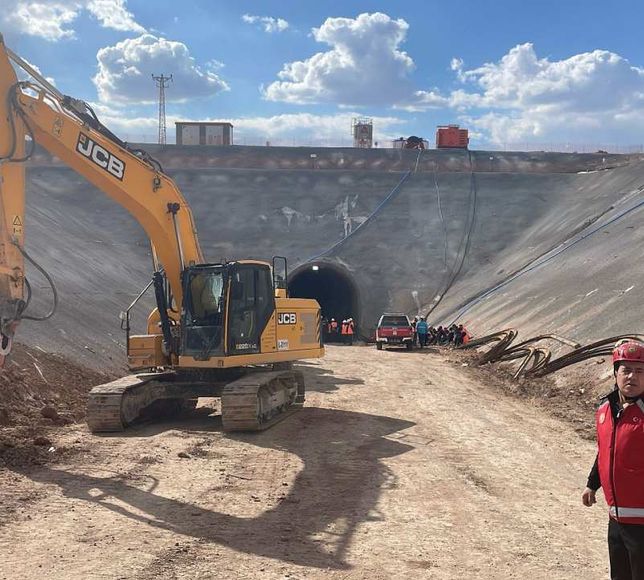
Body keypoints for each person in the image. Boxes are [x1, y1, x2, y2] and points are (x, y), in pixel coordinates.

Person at [582, 340, 644, 580]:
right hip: (616, 518)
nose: (632, 376)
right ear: (615, 372)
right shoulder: (605, 411)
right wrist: (591, 484)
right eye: (626, 370)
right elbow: (606, 452)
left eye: (639, 371)